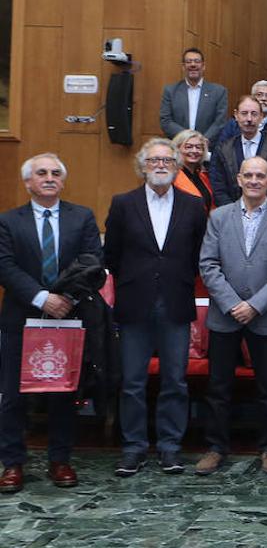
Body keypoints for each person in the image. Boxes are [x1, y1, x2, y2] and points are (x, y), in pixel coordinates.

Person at [104, 139, 208, 477]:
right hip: (134, 304)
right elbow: (113, 257)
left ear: (177, 167)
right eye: (153, 160)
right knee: (132, 382)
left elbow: (198, 257)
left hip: (176, 303)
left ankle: (169, 447)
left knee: (175, 382)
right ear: (142, 166)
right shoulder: (123, 204)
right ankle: (133, 448)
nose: (160, 165)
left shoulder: (193, 206)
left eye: (167, 160)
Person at [0, 154, 103, 494]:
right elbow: (5, 266)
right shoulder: (8, 221)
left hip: (68, 316)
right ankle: (13, 463)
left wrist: (68, 299)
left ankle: (60, 460)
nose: (48, 178)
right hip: (22, 317)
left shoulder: (82, 217)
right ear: (28, 182)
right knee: (13, 395)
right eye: (41, 173)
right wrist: (43, 298)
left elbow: (92, 263)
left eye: (55, 173)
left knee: (63, 392)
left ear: (62, 181)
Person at [196, 157, 267, 476]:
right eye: (249, 175)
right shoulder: (219, 217)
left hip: (264, 316)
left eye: (261, 176)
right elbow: (208, 264)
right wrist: (231, 303)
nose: (254, 180)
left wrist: (254, 305)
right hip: (225, 316)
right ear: (239, 179)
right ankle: (216, 447)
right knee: (219, 387)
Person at [209, 96, 267, 206]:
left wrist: (265, 211)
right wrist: (233, 213)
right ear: (236, 115)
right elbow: (218, 186)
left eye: (254, 114)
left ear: (261, 117)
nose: (249, 119)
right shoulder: (224, 149)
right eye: (244, 113)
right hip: (231, 215)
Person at [159, 48, 228, 144]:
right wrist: (188, 138)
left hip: (207, 148)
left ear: (203, 66)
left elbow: (220, 122)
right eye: (188, 62)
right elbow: (166, 121)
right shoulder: (170, 91)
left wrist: (202, 141)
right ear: (183, 67)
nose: (193, 65)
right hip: (179, 147)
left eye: (197, 61)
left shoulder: (219, 91)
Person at [213, 80, 267, 146]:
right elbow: (221, 149)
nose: (263, 99)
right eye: (259, 95)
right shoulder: (233, 125)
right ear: (252, 97)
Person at [172, 129, 213, 212]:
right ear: (177, 149)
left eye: (198, 147)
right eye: (188, 147)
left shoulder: (203, 176)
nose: (194, 151)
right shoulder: (171, 176)